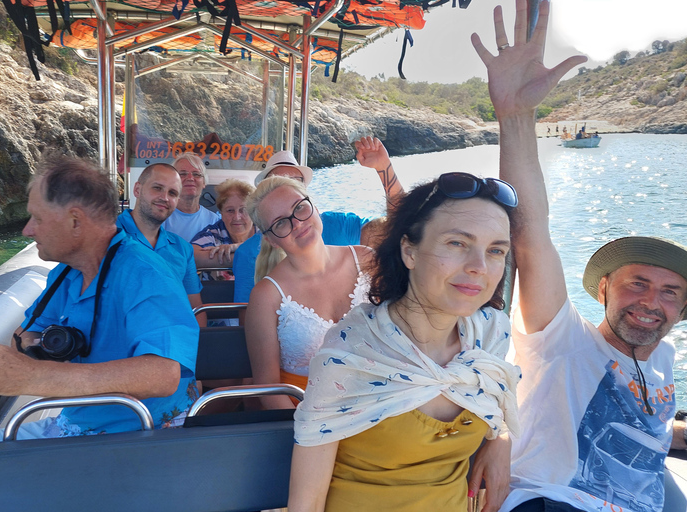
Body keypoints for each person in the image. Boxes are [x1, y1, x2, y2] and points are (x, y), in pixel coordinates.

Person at [472, 2, 687, 511]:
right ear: (604, 287)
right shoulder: (562, 342)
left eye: (670, 292)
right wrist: (515, 117)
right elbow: (530, 237)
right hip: (554, 502)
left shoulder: (663, 360)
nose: (650, 302)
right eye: (637, 283)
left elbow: (644, 427)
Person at [0, 156, 199, 484]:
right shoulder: (66, 274)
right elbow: (24, 337)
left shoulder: (145, 274)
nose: (27, 230)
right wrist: (30, 354)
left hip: (144, 432)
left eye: (37, 218)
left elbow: (163, 375)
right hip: (81, 422)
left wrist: (34, 376)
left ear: (75, 221)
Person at [288, 174, 522, 512]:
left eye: (496, 250)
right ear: (409, 251)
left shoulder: (489, 336)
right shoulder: (350, 354)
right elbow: (306, 503)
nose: (479, 267)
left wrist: (499, 440)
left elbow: (496, 399)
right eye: (457, 243)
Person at [244, 177, 373, 409]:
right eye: (280, 223)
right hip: (307, 413)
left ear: (315, 206)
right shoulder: (266, 296)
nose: (297, 223)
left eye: (300, 207)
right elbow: (269, 390)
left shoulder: (367, 260)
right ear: (271, 240)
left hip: (383, 401)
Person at [232, 138, 405, 303]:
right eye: (278, 182)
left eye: (294, 181)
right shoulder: (247, 254)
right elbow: (247, 315)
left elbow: (399, 227)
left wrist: (384, 168)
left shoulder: (340, 225)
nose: (285, 189)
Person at [117, 162, 205, 324]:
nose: (164, 198)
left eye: (172, 193)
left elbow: (196, 311)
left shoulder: (182, 249)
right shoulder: (107, 237)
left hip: (171, 337)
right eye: (157, 188)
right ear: (137, 189)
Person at [190, 179, 258, 279]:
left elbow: (279, 251)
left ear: (252, 211)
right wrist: (251, 255)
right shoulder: (213, 234)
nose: (237, 217)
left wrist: (238, 248)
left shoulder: (264, 231)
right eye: (230, 210)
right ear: (221, 213)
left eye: (243, 210)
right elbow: (191, 257)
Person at [162, 152, 220, 241]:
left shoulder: (214, 221)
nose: (190, 178)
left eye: (196, 174)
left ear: (204, 182)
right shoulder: (161, 217)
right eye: (182, 174)